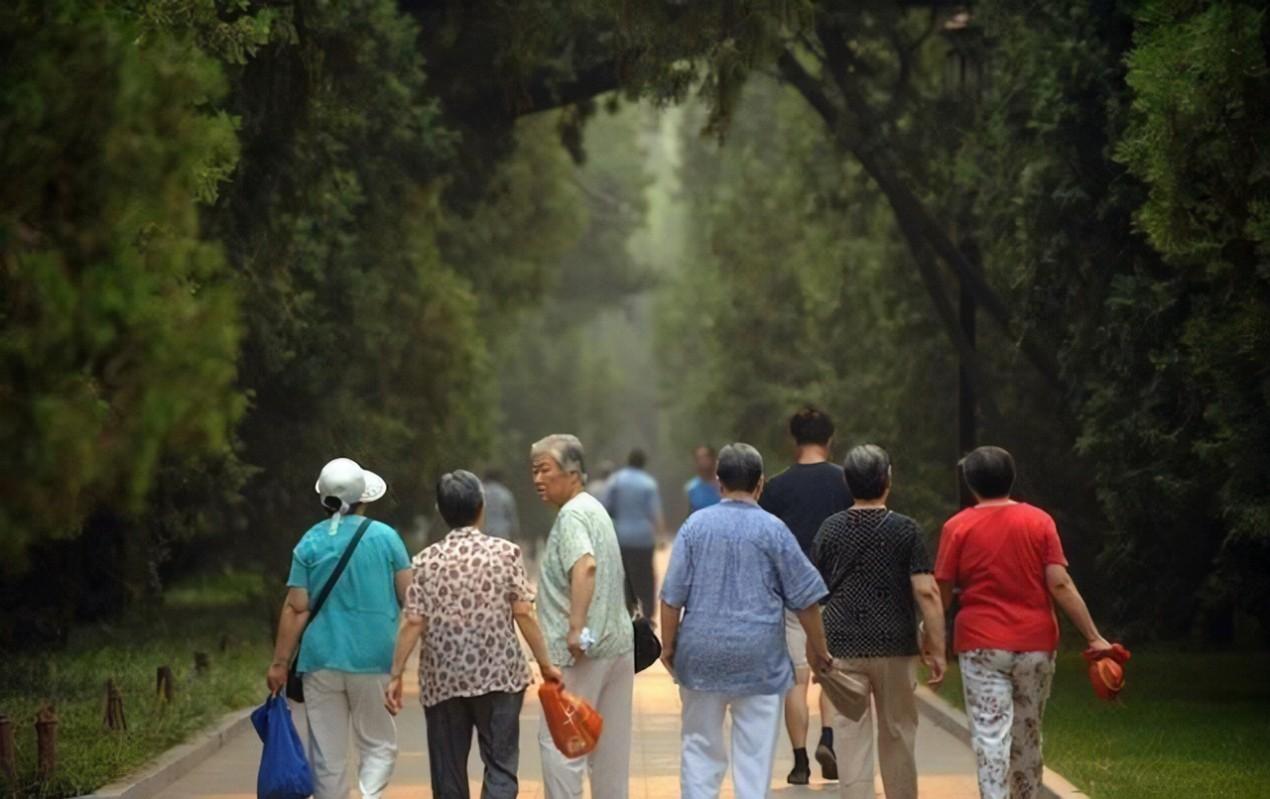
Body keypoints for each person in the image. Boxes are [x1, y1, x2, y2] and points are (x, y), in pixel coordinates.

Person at [935, 446, 1112, 799]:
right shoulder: (1039, 521)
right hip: (1035, 644)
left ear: (970, 483)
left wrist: (932, 634)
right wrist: (1094, 637)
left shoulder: (957, 527)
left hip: (981, 644)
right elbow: (1059, 583)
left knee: (990, 735)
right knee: (1028, 731)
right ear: (1011, 479)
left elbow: (942, 591)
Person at [659, 442, 832, 799]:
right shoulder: (774, 530)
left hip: (701, 654)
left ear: (719, 482)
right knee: (754, 756)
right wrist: (819, 649)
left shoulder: (695, 527)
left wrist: (670, 645)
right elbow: (806, 598)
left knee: (699, 746)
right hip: (761, 660)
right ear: (760, 484)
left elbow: (672, 597)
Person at [384, 470, 561, 799]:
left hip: (443, 680)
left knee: (447, 770)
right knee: (500, 765)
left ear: (441, 510)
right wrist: (546, 665)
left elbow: (413, 621)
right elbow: (523, 612)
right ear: (481, 507)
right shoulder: (505, 554)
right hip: (499, 678)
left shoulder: (425, 561)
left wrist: (395, 674)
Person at [266, 458, 412, 799]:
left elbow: (296, 608)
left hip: (320, 661)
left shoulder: (310, 542)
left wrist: (278, 664)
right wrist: (403, 662)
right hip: (374, 659)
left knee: (327, 757)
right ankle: (369, 795)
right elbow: (411, 599)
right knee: (378, 745)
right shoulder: (387, 538)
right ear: (365, 496)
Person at [813, 445, 947, 799]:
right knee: (899, 733)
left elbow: (813, 592)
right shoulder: (907, 530)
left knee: (849, 733)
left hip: (842, 644)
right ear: (888, 478)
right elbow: (927, 592)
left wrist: (815, 647)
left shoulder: (830, 529)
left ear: (847, 481)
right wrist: (938, 647)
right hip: (895, 643)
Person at [530, 434, 635, 799]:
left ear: (572, 472)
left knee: (562, 745)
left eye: (544, 470)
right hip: (617, 648)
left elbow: (586, 566)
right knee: (610, 751)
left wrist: (576, 628)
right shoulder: (594, 508)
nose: (537, 480)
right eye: (534, 471)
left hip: (580, 654)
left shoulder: (572, 515)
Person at [759, 405, 853, 783]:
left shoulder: (777, 488)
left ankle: (799, 761)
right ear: (830, 439)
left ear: (793, 440)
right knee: (829, 670)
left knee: (796, 680)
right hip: (838, 595)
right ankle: (828, 737)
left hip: (791, 598)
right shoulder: (847, 483)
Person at [604, 448, 666, 618]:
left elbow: (606, 506)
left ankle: (626, 613)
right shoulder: (648, 483)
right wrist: (660, 536)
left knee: (623, 577)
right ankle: (648, 615)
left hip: (621, 537)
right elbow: (655, 513)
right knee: (646, 577)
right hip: (643, 539)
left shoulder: (615, 481)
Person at [482, 468, 520, 541]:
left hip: (484, 534)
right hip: (502, 534)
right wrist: (515, 533)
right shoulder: (505, 493)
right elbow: (511, 516)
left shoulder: (480, 493)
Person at [684, 444, 722, 513]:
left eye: (706, 457)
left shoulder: (725, 484)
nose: (703, 461)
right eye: (699, 458)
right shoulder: (691, 488)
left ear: (713, 459)